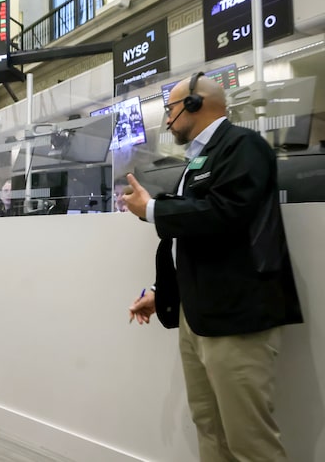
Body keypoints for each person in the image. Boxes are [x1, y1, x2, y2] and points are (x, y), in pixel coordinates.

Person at [122, 74, 303, 462]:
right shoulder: (198, 159)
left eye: (170, 108)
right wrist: (164, 292)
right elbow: (197, 239)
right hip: (200, 313)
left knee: (250, 441)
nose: (167, 119)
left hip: (236, 317)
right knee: (210, 426)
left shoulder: (243, 146)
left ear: (194, 104)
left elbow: (227, 213)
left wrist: (152, 209)